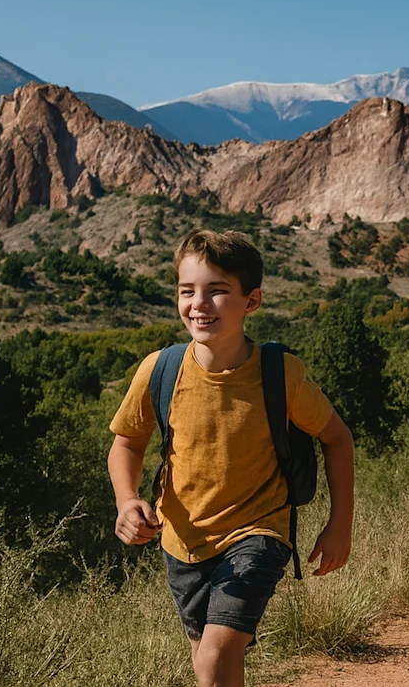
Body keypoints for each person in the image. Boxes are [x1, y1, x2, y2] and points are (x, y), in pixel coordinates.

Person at [108, 229, 355, 687]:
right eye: (187, 291)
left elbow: (338, 438)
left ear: (252, 301)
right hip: (181, 541)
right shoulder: (159, 370)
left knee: (215, 660)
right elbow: (126, 443)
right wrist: (126, 500)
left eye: (217, 291)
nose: (199, 304)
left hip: (258, 533)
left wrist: (340, 525)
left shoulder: (281, 374)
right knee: (212, 665)